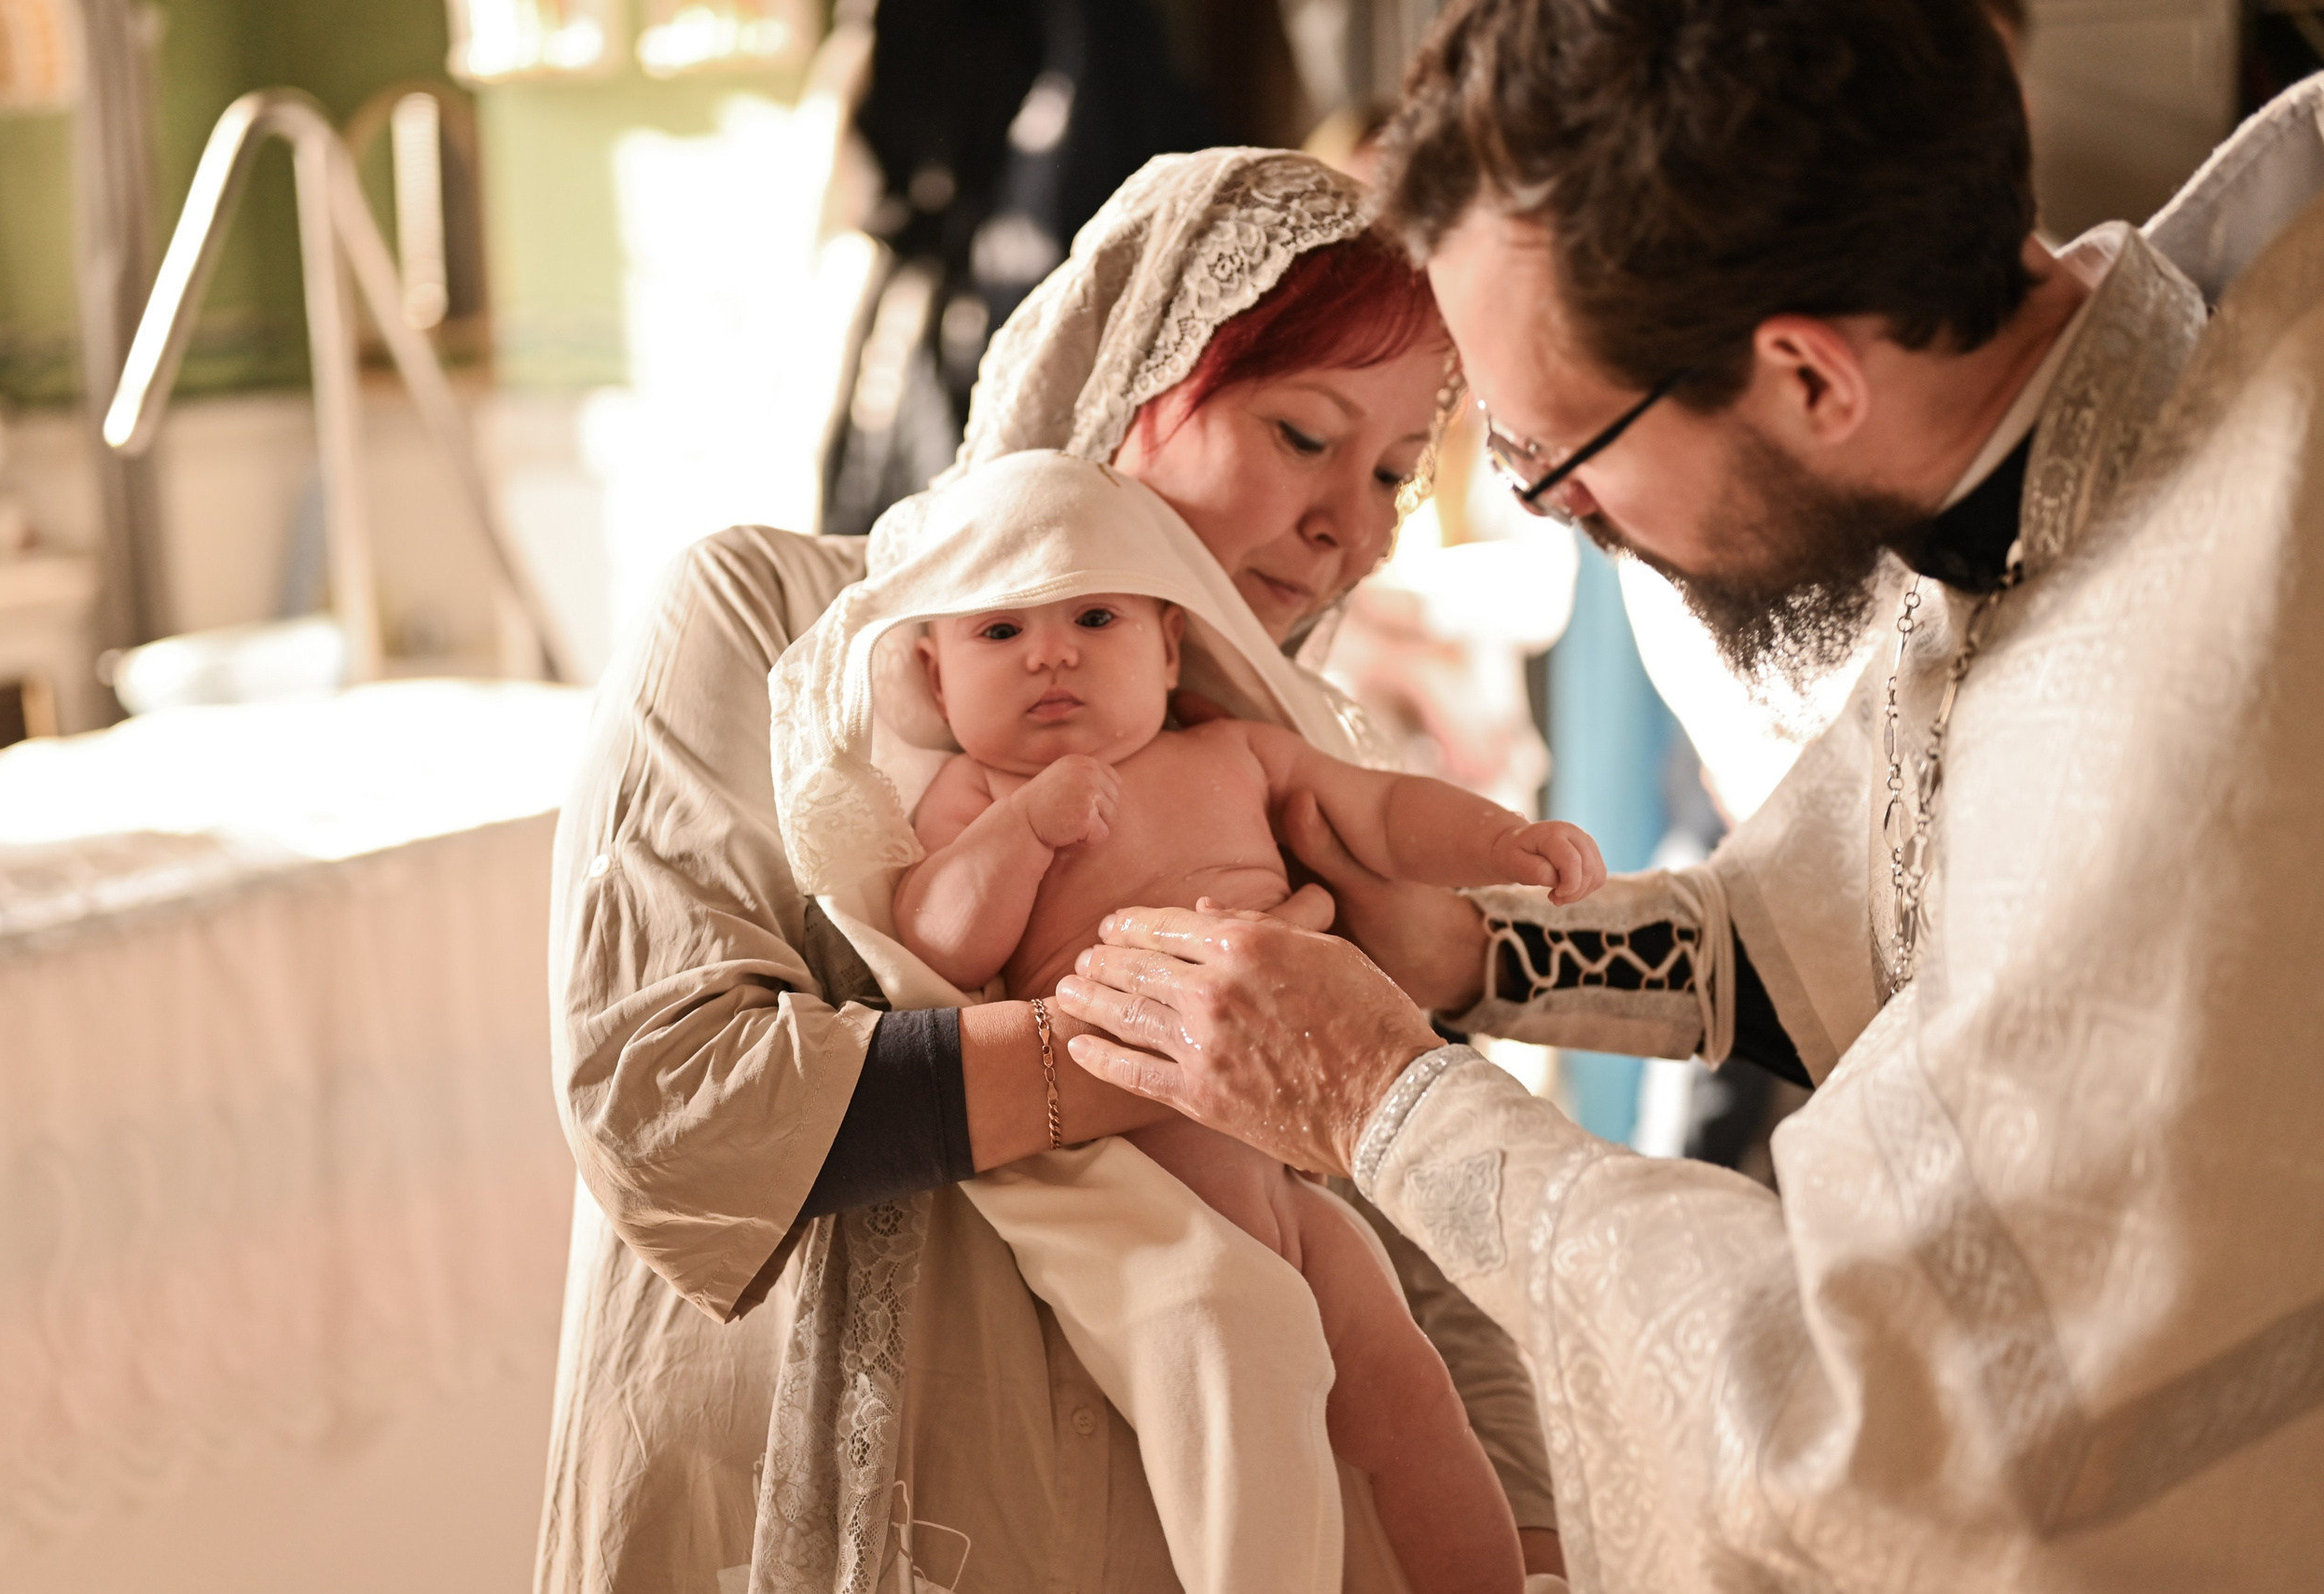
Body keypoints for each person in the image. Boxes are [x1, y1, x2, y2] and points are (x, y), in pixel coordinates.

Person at [1056, 5, 2324, 1590]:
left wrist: (1383, 1097)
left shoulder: (2197, 696)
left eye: (1558, 452)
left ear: (1804, 370)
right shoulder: (2098, 431)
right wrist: (1472, 956)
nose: (1564, 514)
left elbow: (1933, 1461)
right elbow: (1852, 922)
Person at [538, 149, 1568, 1594]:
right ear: (1131, 371)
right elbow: (672, 1101)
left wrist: (1529, 1545)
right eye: (1299, 432)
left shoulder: (1294, 766)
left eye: (1395, 469)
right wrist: (1180, 1052)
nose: (1354, 520)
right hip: (817, 1512)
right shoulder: (771, 623)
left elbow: (1404, 1206)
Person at [776, 448, 1599, 1592]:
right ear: (930, 664)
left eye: (1095, 615)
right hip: (1150, 1178)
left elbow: (1378, 810)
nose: (1051, 651)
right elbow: (938, 937)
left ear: (1168, 642)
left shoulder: (1233, 751)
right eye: (999, 632)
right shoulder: (973, 794)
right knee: (1241, 1380)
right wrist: (1028, 829)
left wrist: (1497, 842)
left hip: (1295, 1171)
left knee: (1406, 1394)